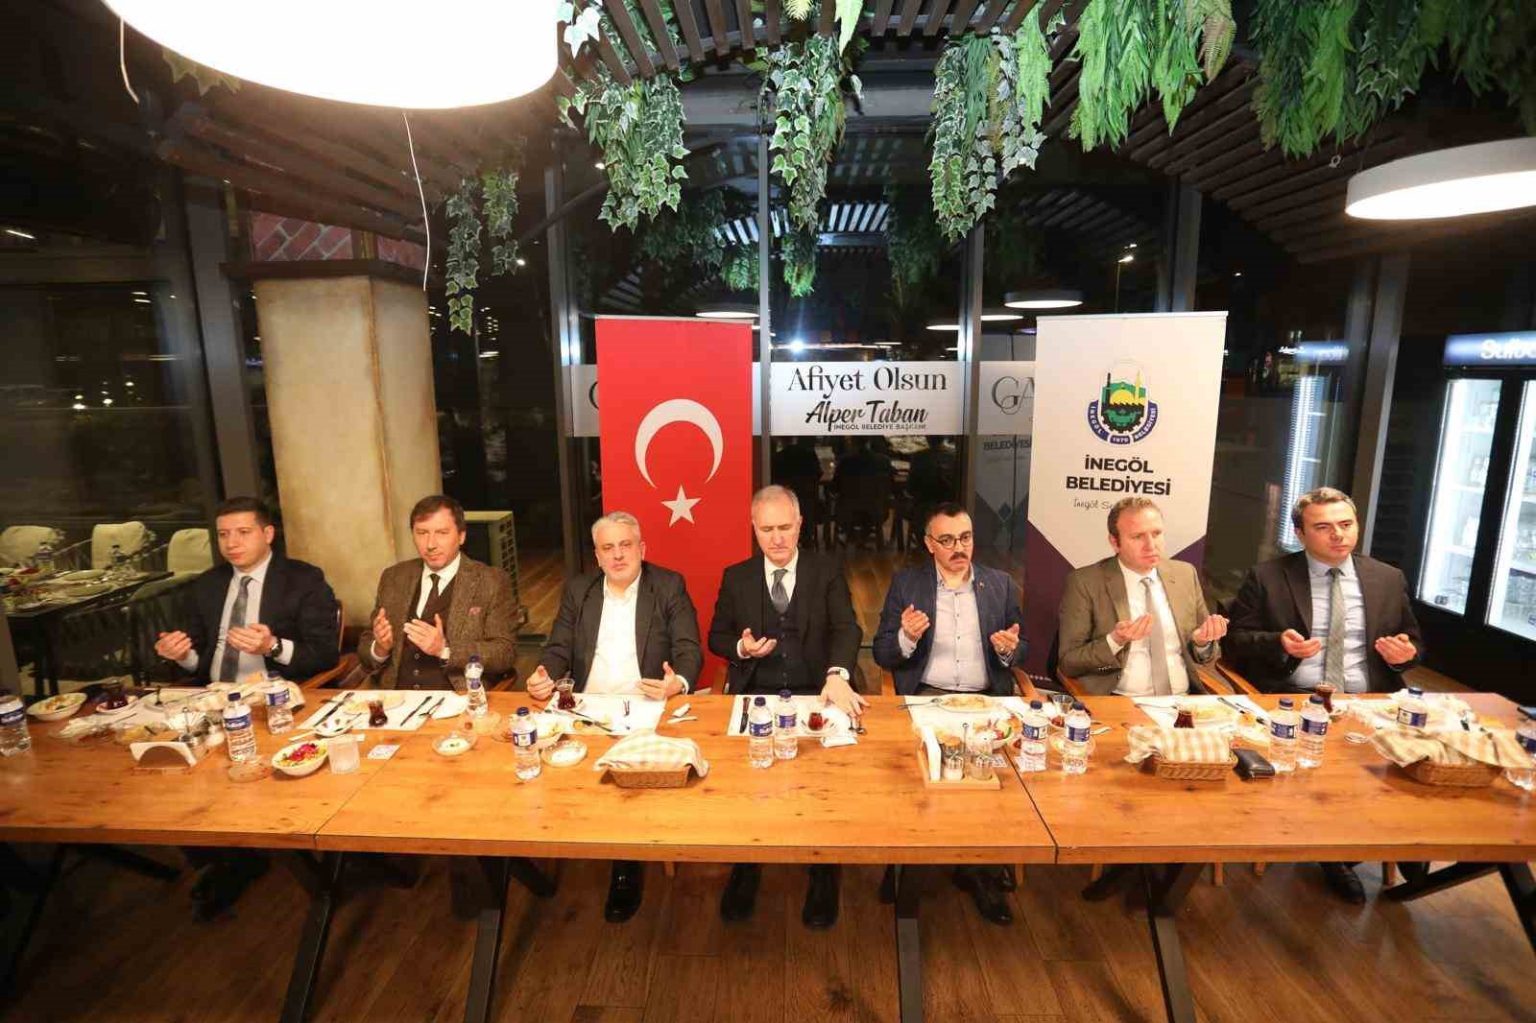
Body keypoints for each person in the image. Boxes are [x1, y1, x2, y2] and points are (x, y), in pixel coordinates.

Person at [1225, 486, 1423, 905]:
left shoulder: (1387, 578)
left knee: (1419, 759)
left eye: (1346, 524)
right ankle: (1339, 856)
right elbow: (1236, 640)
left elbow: (1413, 642)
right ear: (1300, 533)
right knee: (1333, 765)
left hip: (1370, 699)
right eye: (1324, 527)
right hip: (1297, 698)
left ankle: (1401, 837)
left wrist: (1405, 654)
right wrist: (1279, 643)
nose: (1338, 535)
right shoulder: (1269, 577)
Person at [151, 496, 340, 921]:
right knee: (165, 770)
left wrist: (272, 645)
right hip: (211, 697)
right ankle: (222, 857)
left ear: (267, 534)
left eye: (242, 532)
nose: (232, 543)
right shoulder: (207, 585)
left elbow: (325, 653)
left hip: (273, 703)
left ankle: (242, 858)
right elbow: (198, 658)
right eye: (223, 535)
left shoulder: (303, 580)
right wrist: (180, 655)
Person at [525, 511, 702, 923]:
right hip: (585, 706)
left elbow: (689, 648)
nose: (618, 555)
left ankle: (625, 867)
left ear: (643, 548)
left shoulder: (668, 585)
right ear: (597, 556)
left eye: (626, 545)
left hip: (646, 708)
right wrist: (543, 674)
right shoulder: (580, 590)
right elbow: (558, 647)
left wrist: (678, 682)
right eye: (608, 548)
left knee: (627, 781)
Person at [708, 485, 864, 929]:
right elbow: (717, 636)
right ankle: (747, 864)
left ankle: (823, 870)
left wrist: (837, 673)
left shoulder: (826, 570)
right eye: (766, 530)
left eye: (784, 528)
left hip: (816, 691)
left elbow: (847, 628)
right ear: (753, 529)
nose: (776, 538)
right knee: (747, 786)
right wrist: (742, 648)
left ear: (799, 525)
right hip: (755, 694)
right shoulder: (736, 576)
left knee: (824, 788)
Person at [871, 501, 1026, 925]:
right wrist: (905, 637)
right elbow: (883, 653)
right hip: (928, 700)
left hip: (985, 702)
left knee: (993, 784)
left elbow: (1021, 646)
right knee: (914, 781)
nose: (959, 548)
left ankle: (980, 871)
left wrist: (1009, 650)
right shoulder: (908, 584)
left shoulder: (1000, 585)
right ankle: (905, 864)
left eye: (966, 538)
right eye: (947, 540)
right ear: (929, 544)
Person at [1056, 496, 1228, 697]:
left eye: (1156, 533)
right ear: (1115, 542)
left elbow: (1207, 655)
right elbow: (1069, 662)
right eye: (1138, 537)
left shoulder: (1185, 575)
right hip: (1121, 701)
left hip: (1183, 701)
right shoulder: (1086, 582)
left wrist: (1202, 642)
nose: (1151, 545)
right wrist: (1115, 640)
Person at [357, 494, 517, 689]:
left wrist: (445, 649)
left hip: (458, 697)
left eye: (442, 533)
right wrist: (380, 648)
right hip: (395, 698)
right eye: (422, 533)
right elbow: (365, 648)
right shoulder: (394, 577)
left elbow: (504, 653)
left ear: (461, 536)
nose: (431, 544)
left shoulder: (491, 581)